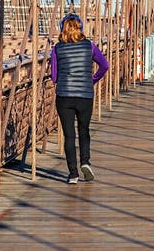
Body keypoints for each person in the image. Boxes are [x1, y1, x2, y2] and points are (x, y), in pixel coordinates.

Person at [50, 13, 109, 184]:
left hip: (64, 96)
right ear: (80, 28)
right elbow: (104, 65)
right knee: (84, 130)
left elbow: (54, 77)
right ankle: (85, 162)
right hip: (85, 95)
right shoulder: (89, 46)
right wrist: (92, 80)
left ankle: (73, 174)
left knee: (69, 135)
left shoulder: (57, 48)